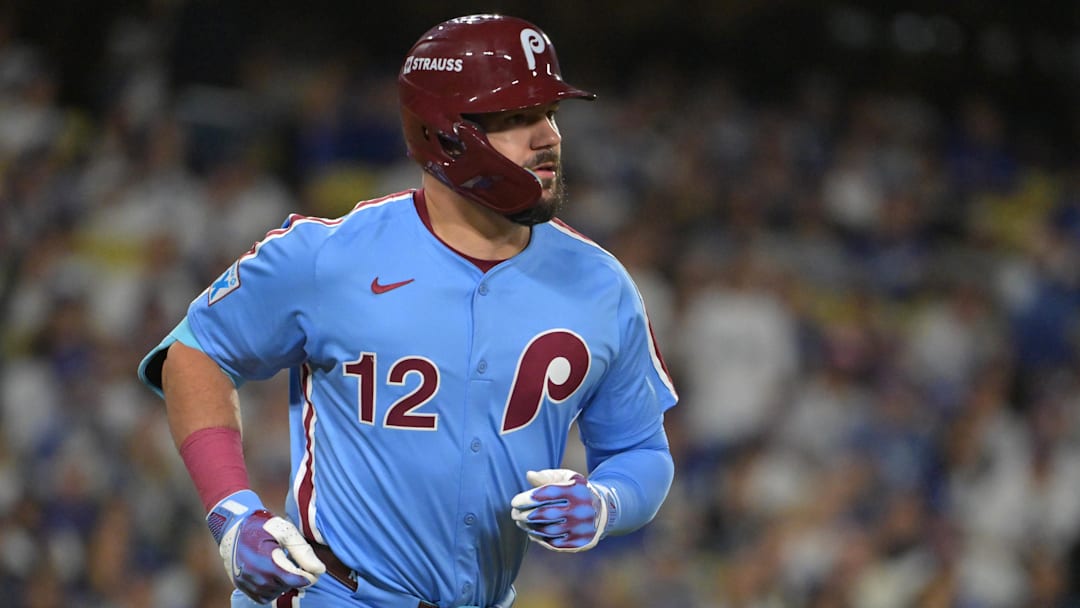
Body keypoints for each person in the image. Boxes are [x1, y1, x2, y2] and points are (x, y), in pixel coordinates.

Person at [138, 14, 678, 608]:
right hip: (332, 593)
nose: (548, 136)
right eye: (515, 118)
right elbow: (195, 353)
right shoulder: (330, 255)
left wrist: (607, 503)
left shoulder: (602, 285)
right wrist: (233, 515)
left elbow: (639, 452)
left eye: (549, 113)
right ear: (445, 133)